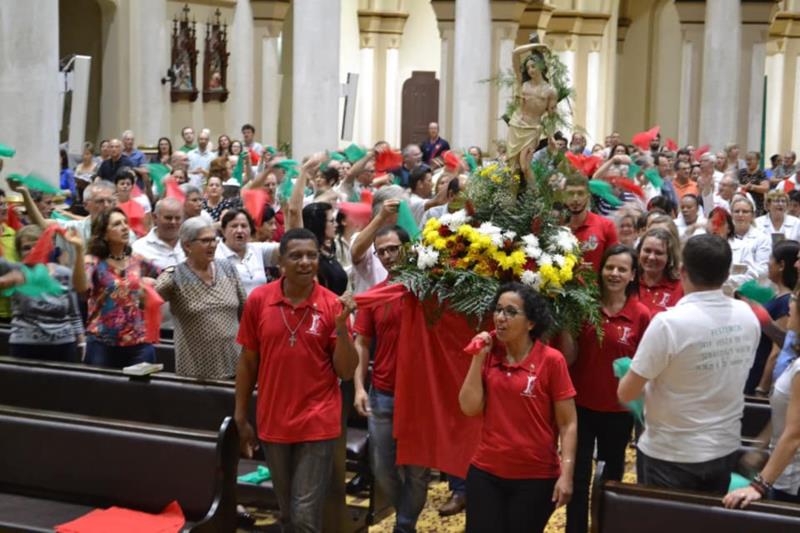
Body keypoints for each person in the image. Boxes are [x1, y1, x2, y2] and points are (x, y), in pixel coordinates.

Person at [234, 228, 358, 532]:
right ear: (281, 263)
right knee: (288, 512)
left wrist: (342, 328)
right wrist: (240, 415)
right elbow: (248, 361)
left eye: (311, 255)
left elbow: (345, 370)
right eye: (296, 256)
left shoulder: (331, 305)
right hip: (274, 419)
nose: (305, 262)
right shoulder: (259, 300)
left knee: (304, 515)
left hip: (318, 420)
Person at [618, 234, 760, 493]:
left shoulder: (668, 323)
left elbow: (627, 392)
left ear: (682, 271)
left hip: (671, 453)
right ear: (727, 272)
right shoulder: (747, 315)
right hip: (724, 447)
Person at [460, 282, 576, 533]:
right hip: (486, 471)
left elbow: (568, 423)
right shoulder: (489, 354)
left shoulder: (551, 361)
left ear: (531, 323)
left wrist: (566, 474)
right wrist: (477, 357)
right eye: (498, 310)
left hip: (535, 477)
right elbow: (469, 407)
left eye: (511, 312)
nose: (500, 318)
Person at [565, 245, 650, 533]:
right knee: (577, 477)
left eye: (622, 269)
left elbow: (645, 365)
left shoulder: (641, 315)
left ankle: (604, 527)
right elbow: (569, 357)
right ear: (600, 270)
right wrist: (565, 322)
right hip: (581, 408)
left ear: (632, 275)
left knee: (612, 478)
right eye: (609, 267)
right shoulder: (583, 306)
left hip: (619, 411)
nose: (614, 274)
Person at [353, 226, 428, 532]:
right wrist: (359, 386)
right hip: (383, 392)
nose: (387, 256)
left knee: (418, 471)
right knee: (382, 468)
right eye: (381, 251)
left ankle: (404, 526)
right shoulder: (376, 294)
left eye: (392, 249)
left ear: (407, 248)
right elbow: (361, 343)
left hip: (422, 395)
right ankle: (405, 517)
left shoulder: (428, 290)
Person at [723, 283, 800, 508]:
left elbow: (795, 434)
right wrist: (761, 446)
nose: (789, 306)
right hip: (784, 473)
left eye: (794, 300)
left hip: (793, 479)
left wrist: (759, 485)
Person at [156, 217, 246, 379]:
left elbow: (245, 310)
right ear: (187, 245)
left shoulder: (227, 268)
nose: (212, 245)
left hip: (236, 363)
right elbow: (149, 299)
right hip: (196, 371)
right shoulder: (174, 274)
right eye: (205, 241)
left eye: (214, 240)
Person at [83, 208, 160, 368]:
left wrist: (152, 284)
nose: (125, 227)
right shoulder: (93, 261)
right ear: (104, 234)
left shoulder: (137, 260)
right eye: (117, 224)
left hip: (139, 343)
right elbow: (82, 288)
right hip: (102, 343)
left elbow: (164, 274)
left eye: (125, 222)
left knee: (143, 392)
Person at [0, 225, 86, 362]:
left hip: (64, 345)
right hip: (24, 345)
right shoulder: (14, 270)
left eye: (37, 246)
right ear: (19, 252)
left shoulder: (64, 273)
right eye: (26, 248)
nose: (32, 251)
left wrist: (81, 342)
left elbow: (74, 314)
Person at [746, 240, 798, 396]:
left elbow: (778, 350)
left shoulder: (786, 302)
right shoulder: (778, 296)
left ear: (781, 265)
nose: (767, 263)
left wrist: (761, 388)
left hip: (761, 372)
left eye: (770, 259)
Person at [507, 42, 557, 175]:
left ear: (541, 67)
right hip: (517, 125)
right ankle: (512, 194)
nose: (530, 70)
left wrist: (551, 137)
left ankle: (534, 194)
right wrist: (536, 45)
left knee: (525, 165)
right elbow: (515, 53)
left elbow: (551, 117)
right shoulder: (522, 84)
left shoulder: (550, 91)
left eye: (533, 66)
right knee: (513, 168)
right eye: (528, 68)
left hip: (532, 129)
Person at [215, 208, 279, 295]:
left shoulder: (257, 249)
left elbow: (289, 248)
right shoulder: (215, 254)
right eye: (234, 226)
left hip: (259, 307)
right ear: (223, 230)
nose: (239, 230)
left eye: (244, 226)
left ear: (251, 230)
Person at [564, 174, 618, 272]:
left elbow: (614, 263)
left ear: (588, 196)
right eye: (570, 193)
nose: (575, 199)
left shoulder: (606, 226)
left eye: (580, 193)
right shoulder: (555, 227)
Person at [727, 196, 771, 291]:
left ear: (752, 215)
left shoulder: (762, 238)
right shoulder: (724, 237)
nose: (740, 214)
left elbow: (763, 268)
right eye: (737, 211)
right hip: (726, 287)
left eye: (745, 211)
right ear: (731, 214)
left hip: (753, 289)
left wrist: (735, 281)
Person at [302, 202, 348, 295]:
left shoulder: (329, 251)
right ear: (319, 224)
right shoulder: (312, 259)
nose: (336, 225)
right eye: (331, 221)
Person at [637, 227, 683, 315]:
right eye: (647, 251)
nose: (651, 257)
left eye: (658, 253)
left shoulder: (680, 287)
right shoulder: (628, 282)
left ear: (669, 257)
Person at [738, 151, 769, 215]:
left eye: (751, 159)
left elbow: (766, 188)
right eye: (747, 159)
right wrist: (744, 187)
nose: (748, 162)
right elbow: (735, 185)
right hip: (742, 203)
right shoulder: (741, 172)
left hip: (757, 206)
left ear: (757, 161)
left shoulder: (762, 173)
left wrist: (752, 187)